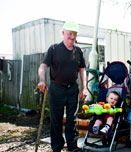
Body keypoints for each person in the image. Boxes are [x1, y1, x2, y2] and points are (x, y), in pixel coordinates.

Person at [37, 21, 88, 152]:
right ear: (63, 33)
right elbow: (43, 66)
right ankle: (57, 147)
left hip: (72, 90)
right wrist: (42, 80)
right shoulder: (54, 49)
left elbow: (82, 69)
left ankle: (72, 146)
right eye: (69, 34)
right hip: (56, 89)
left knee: (71, 119)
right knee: (56, 120)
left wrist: (84, 87)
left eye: (74, 34)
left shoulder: (78, 51)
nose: (72, 37)